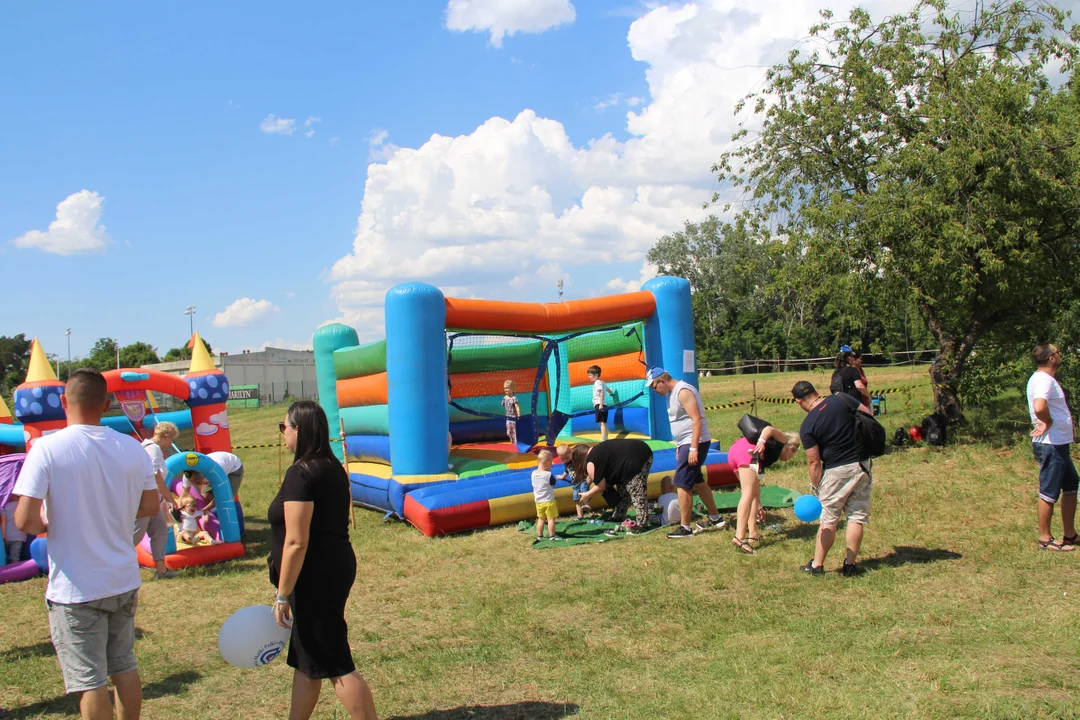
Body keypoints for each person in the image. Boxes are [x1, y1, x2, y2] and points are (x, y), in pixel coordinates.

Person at [14, 368, 160, 720]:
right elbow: (151, 505)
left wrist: (50, 524)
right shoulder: (132, 447)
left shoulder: (46, 448)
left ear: (64, 401)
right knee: (124, 665)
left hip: (76, 587)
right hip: (122, 578)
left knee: (90, 680)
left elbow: (23, 520)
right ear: (107, 403)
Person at [270, 400, 377, 720]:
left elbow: (296, 541)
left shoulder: (301, 473)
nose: (282, 433)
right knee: (308, 658)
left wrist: (282, 594)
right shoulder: (331, 468)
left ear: (299, 430)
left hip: (314, 576)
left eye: (284, 427)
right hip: (332, 567)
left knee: (335, 662)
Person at [792, 380, 872, 576]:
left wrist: (816, 486)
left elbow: (814, 462)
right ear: (817, 392)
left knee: (828, 520)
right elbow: (868, 415)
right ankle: (850, 564)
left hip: (836, 470)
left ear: (798, 401)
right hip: (861, 464)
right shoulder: (842, 399)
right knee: (856, 517)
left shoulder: (808, 425)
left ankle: (817, 565)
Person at [645, 368, 726, 539]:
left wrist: (693, 448)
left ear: (662, 381)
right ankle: (716, 518)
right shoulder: (671, 394)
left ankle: (685, 528)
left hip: (694, 441)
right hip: (686, 442)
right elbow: (681, 422)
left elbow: (696, 419)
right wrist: (679, 446)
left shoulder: (683, 391)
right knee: (697, 480)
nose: (654, 390)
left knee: (682, 484)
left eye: (654, 386)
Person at [1027, 343, 1077, 551]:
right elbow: (1039, 406)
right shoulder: (1043, 381)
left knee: (1072, 485)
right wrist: (1048, 422)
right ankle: (1045, 539)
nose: (1060, 354)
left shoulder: (1044, 379)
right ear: (1051, 359)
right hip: (1050, 444)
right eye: (1058, 352)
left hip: (1058, 443)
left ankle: (1070, 535)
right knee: (1049, 491)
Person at [726, 427, 801, 554]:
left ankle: (753, 534)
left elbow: (756, 491)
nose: (787, 459)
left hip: (735, 452)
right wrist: (761, 441)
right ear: (791, 448)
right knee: (747, 494)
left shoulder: (770, 451)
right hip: (746, 453)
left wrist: (759, 505)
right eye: (791, 455)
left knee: (753, 492)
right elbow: (769, 429)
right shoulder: (784, 439)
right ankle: (739, 537)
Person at [572, 439, 654, 536]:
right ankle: (619, 515)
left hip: (637, 457)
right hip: (639, 451)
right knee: (623, 488)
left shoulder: (591, 461)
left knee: (636, 489)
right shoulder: (597, 451)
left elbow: (600, 487)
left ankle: (642, 524)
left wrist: (587, 495)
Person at [133, 421, 180, 579]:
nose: (170, 444)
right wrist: (170, 498)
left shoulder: (145, 447)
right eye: (171, 440)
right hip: (146, 499)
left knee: (160, 530)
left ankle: (161, 570)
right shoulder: (153, 449)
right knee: (135, 535)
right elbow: (156, 476)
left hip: (152, 498)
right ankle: (113, 567)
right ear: (166, 437)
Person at [555, 444, 589, 520]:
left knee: (584, 491)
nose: (565, 460)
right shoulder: (566, 463)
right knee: (576, 499)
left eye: (566, 458)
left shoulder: (575, 459)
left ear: (570, 452)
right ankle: (580, 516)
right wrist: (562, 477)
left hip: (582, 479)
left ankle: (587, 504)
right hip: (575, 484)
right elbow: (566, 471)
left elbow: (583, 463)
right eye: (562, 459)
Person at [532, 449, 559, 542]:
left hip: (538, 502)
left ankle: (540, 535)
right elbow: (553, 483)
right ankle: (552, 536)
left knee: (541, 519)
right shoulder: (548, 474)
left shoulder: (533, 474)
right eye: (551, 463)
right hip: (548, 501)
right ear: (548, 463)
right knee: (551, 519)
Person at [588, 365, 615, 442]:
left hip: (599, 404)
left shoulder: (597, 382)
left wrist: (600, 404)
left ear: (596, 375)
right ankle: (605, 437)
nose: (588, 377)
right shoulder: (602, 382)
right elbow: (608, 389)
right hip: (603, 404)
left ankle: (603, 439)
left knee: (601, 423)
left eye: (590, 375)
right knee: (603, 422)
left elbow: (602, 392)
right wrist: (611, 393)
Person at [3, 492, 26, 564]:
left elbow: (3, 522)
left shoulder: (5, 506)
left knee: (4, 557)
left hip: (7, 536)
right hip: (19, 537)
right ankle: (14, 574)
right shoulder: (23, 506)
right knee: (15, 558)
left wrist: (3, 535)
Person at [502, 380, 521, 446]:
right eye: (504, 388)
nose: (505, 390)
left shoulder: (514, 398)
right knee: (509, 432)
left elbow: (517, 407)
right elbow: (505, 407)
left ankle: (516, 443)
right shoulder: (505, 398)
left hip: (513, 418)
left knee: (514, 431)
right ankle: (512, 442)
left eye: (507, 388)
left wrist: (518, 416)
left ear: (512, 389)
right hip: (508, 418)